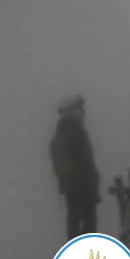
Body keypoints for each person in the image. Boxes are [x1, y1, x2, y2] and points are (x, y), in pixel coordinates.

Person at [50, 96, 100, 238]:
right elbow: (84, 163)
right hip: (81, 189)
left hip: (77, 189)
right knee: (85, 228)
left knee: (76, 226)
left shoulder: (64, 133)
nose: (83, 112)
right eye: (79, 109)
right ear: (71, 111)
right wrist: (87, 184)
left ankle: (76, 256)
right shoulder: (73, 133)